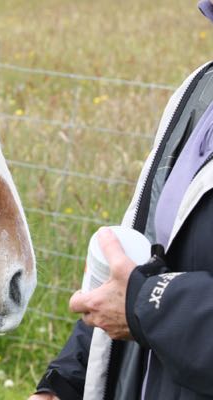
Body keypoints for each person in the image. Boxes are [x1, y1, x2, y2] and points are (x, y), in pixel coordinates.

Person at [29, 2, 213, 399]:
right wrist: (66, 382)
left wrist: (145, 306)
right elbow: (145, 263)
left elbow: (139, 296)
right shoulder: (202, 90)